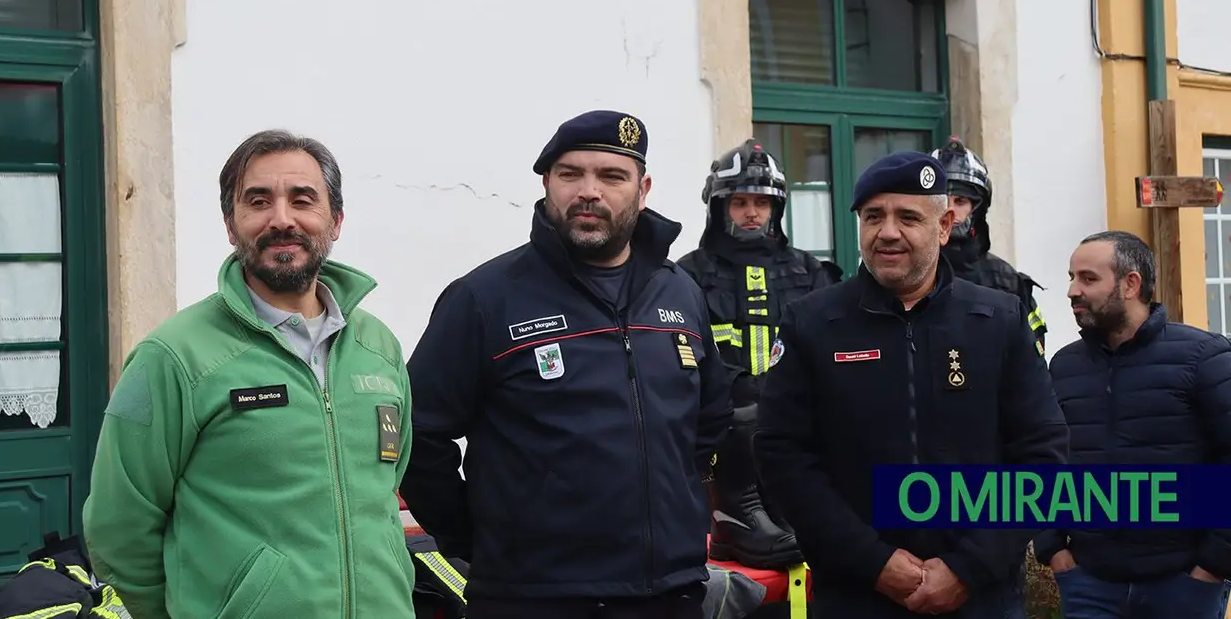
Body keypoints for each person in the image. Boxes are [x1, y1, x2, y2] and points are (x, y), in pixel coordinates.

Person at [400, 109, 735, 619]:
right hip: (533, 598)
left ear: (643, 190)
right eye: (571, 174)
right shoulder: (485, 298)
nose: (589, 191)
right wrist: (482, 535)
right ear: (546, 183)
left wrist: (676, 515)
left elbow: (708, 422)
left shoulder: (680, 293)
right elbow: (417, 435)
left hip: (671, 591)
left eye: (611, 176)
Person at [82, 129, 416, 619]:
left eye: (303, 200)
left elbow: (389, 479)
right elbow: (120, 526)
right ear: (231, 224)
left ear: (336, 220)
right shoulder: (172, 355)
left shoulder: (378, 347)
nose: (282, 219)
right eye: (258, 201)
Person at [753, 150, 1069, 618]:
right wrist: (874, 562)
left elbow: (1042, 456)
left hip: (982, 598)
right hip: (857, 596)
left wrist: (968, 567)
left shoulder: (998, 320)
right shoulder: (813, 323)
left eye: (908, 217)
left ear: (943, 227)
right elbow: (783, 458)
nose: (888, 232)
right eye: (873, 216)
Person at [1033, 230, 1231, 619]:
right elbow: (1043, 459)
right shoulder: (1064, 366)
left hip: (1183, 585)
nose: (1072, 290)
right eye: (1071, 277)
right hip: (1088, 584)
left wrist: (1212, 566)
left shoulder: (1204, 357)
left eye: (1088, 279)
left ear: (1130, 284)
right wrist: (1053, 548)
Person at [675, 138, 842, 570]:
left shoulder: (809, 270)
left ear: (776, 209)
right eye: (740, 202)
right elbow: (679, 351)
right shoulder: (685, 274)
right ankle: (738, 521)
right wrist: (738, 390)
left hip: (796, 428)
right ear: (719, 207)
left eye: (762, 203)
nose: (752, 212)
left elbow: (828, 347)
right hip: (719, 438)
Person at [930, 136, 1048, 351]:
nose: (949, 210)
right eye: (941, 201)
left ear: (978, 209)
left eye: (960, 201)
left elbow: (1033, 356)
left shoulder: (1007, 280)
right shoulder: (907, 273)